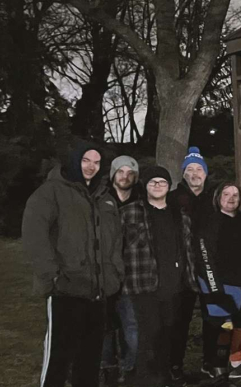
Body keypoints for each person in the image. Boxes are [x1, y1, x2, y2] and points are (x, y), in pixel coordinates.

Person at [23, 142, 124, 387]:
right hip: (65, 289)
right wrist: (52, 276)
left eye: (97, 162)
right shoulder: (51, 192)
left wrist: (114, 275)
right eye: (86, 160)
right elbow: (34, 235)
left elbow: (115, 241)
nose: (91, 167)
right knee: (59, 355)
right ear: (75, 161)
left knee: (89, 358)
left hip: (98, 291)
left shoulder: (104, 198)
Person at [120, 166, 200, 387]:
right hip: (143, 284)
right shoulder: (130, 212)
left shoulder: (179, 215)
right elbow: (117, 247)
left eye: (162, 182)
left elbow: (187, 249)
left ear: (168, 186)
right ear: (145, 186)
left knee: (168, 335)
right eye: (153, 182)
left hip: (174, 284)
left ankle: (163, 378)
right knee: (148, 336)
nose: (157, 185)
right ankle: (145, 380)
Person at [193, 182, 241, 379]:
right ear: (218, 197)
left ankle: (236, 364)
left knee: (238, 325)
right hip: (219, 283)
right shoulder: (210, 222)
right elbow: (205, 256)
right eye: (226, 194)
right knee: (221, 326)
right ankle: (215, 365)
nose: (231, 198)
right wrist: (215, 289)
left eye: (235, 194)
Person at [169, 146, 214, 382]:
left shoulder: (213, 199)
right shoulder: (173, 200)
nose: (195, 173)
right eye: (190, 169)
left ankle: (210, 362)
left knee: (212, 318)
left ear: (205, 174)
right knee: (180, 321)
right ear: (183, 174)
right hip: (182, 270)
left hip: (208, 270)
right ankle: (175, 365)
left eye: (199, 169)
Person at [102, 155, 140, 385]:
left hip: (131, 276)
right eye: (120, 172)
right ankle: (108, 368)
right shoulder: (101, 200)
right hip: (105, 273)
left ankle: (129, 366)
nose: (125, 177)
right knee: (104, 327)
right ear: (113, 175)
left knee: (131, 327)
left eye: (130, 173)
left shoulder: (141, 201)